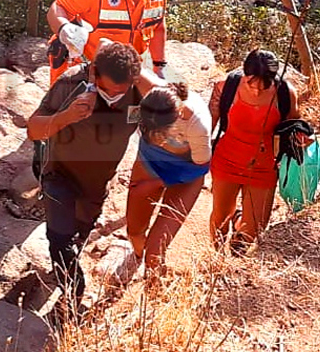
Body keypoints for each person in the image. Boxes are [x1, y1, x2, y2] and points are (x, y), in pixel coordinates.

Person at [27, 41, 164, 303]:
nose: (112, 96)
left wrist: (140, 78)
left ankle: (69, 263)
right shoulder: (72, 84)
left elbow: (172, 102)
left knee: (79, 234)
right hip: (60, 173)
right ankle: (73, 293)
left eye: (119, 92)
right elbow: (33, 129)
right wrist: (66, 117)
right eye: (105, 89)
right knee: (59, 238)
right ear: (94, 75)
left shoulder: (138, 91)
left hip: (97, 183)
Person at [207, 49, 300, 252]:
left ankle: (237, 255)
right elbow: (209, 124)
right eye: (251, 83)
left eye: (264, 85)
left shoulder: (285, 93)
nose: (257, 90)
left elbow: (293, 127)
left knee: (254, 230)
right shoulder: (226, 87)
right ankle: (217, 261)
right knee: (221, 218)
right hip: (227, 160)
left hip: (264, 166)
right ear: (244, 74)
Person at [125, 81, 212, 271]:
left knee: (155, 253)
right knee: (134, 232)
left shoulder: (197, 125)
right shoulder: (149, 100)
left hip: (187, 173)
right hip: (149, 161)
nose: (157, 138)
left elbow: (202, 166)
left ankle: (153, 291)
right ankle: (138, 256)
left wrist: (157, 184)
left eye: (161, 133)